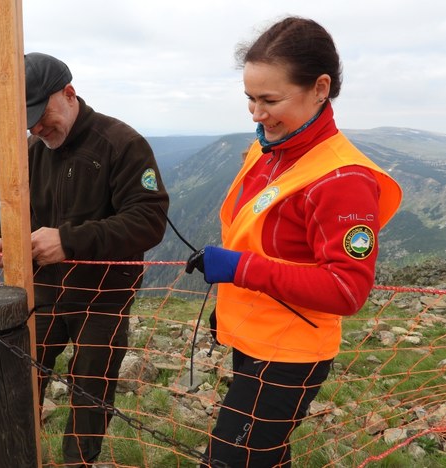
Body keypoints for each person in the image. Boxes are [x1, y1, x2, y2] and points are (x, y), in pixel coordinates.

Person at [186, 16, 402, 467]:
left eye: (270, 99)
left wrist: (240, 269)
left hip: (291, 353)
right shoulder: (268, 151)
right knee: (263, 457)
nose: (256, 113)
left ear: (320, 88)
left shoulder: (343, 178)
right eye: (249, 98)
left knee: (230, 461)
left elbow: (347, 290)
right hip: (253, 339)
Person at [0, 52, 169, 467]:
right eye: (27, 119)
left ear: (69, 93)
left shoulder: (122, 144)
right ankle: (16, 455)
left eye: (40, 114)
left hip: (104, 297)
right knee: (21, 377)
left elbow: (149, 221)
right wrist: (2, 242)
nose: (37, 127)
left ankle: (78, 463)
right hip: (43, 289)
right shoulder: (32, 150)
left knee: (90, 390)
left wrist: (68, 241)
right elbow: (23, 215)